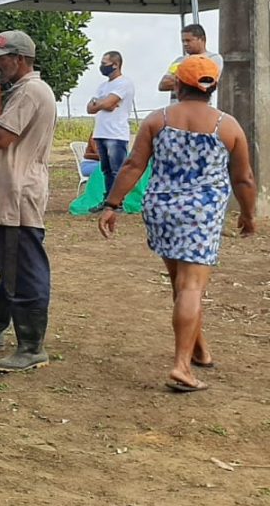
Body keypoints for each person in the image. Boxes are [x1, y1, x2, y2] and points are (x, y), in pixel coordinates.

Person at [100, 56, 257, 393]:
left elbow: (132, 165)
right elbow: (243, 179)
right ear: (212, 87)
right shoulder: (227, 125)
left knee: (181, 283)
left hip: (162, 209)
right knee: (191, 288)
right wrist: (248, 213)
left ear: (179, 84)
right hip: (201, 214)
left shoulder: (159, 120)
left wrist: (112, 204)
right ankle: (181, 367)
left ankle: (199, 349)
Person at [0, 32, 58, 371]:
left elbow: (2, 137)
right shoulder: (26, 90)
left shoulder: (30, 92)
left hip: (20, 196)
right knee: (7, 265)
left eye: (0, 58)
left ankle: (32, 347)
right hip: (12, 195)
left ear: (19, 59)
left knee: (23, 269)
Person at [87, 51, 135, 197]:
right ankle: (108, 199)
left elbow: (107, 103)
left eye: (104, 63)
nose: (101, 66)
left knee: (117, 170)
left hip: (116, 134)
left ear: (115, 64)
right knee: (106, 170)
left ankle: (118, 201)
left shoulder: (124, 83)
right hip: (101, 132)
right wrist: (105, 103)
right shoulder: (103, 86)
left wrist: (101, 103)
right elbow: (90, 108)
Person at [158, 24, 224, 105]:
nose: (185, 44)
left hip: (199, 109)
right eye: (183, 41)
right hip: (176, 110)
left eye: (188, 40)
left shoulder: (213, 58)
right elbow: (163, 85)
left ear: (202, 39)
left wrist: (179, 78)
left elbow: (206, 83)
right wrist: (189, 79)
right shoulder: (179, 60)